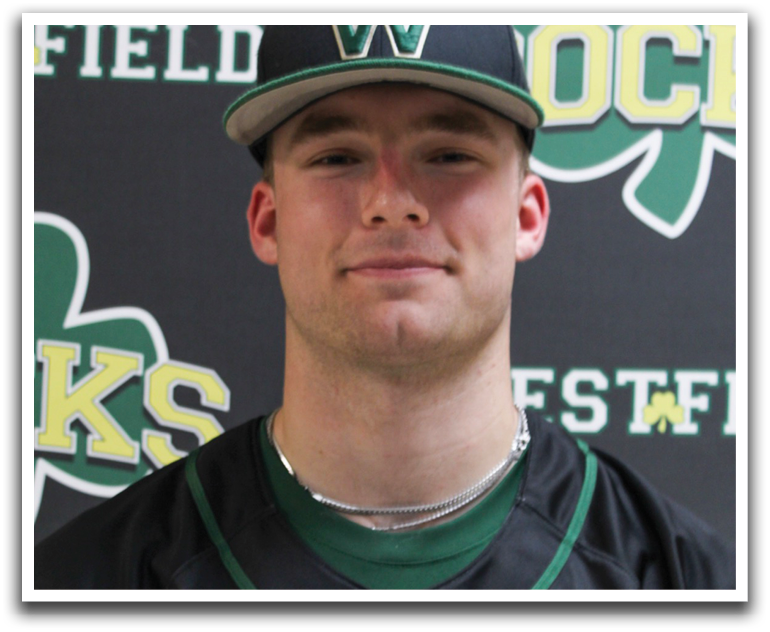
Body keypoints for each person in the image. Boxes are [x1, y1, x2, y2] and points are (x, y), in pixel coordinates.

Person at [35, 25, 734, 590]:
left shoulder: (681, 581)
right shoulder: (97, 582)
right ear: (268, 221)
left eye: (450, 154)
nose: (390, 200)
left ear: (527, 216)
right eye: (338, 157)